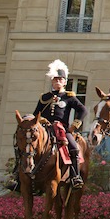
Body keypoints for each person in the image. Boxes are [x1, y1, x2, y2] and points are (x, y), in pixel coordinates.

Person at [32, 59, 87, 188]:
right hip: (44, 128)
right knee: (28, 145)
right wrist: (41, 120)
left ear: (65, 82)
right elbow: (36, 114)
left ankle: (75, 176)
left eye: (60, 79)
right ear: (52, 81)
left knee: (74, 147)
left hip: (61, 128)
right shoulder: (44, 97)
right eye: (55, 79)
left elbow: (83, 110)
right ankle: (18, 176)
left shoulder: (69, 97)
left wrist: (75, 125)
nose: (57, 82)